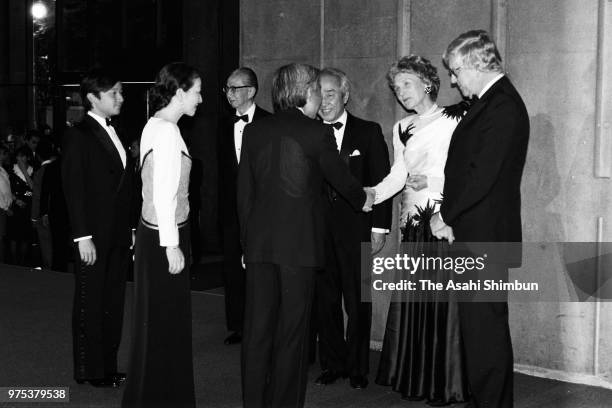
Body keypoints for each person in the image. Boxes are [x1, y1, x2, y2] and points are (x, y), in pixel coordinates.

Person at [237, 63, 375, 408]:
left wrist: (246, 244)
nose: (318, 97)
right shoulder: (318, 133)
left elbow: (244, 196)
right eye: (316, 89)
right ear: (306, 92)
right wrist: (365, 197)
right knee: (292, 336)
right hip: (299, 250)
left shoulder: (254, 132)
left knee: (257, 333)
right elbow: (342, 181)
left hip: (259, 248)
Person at [429, 30, 529, 407]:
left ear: (475, 63)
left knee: (485, 334)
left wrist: (446, 216)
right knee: (480, 333)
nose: (453, 80)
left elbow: (482, 176)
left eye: (455, 71)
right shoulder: (492, 102)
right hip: (479, 233)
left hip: (483, 237)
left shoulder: (501, 105)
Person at [371, 55, 469, 405]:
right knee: (418, 303)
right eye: (396, 88)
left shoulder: (456, 118)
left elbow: (471, 169)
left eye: (406, 85)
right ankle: (417, 378)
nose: (401, 93)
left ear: (427, 83)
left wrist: (433, 179)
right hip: (413, 225)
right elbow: (398, 175)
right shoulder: (401, 127)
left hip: (443, 221)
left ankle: (445, 383)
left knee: (443, 305)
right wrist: (371, 194)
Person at [121, 62, 202, 408]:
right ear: (180, 92)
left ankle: (152, 397)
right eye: (197, 91)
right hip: (166, 236)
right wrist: (171, 246)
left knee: (155, 324)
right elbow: (163, 192)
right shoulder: (167, 131)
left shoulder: (154, 125)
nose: (200, 99)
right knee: (166, 324)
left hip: (153, 233)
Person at [313, 67, 392, 389]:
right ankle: (333, 363)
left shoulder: (368, 132)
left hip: (357, 230)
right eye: (319, 94)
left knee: (358, 301)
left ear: (345, 95)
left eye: (330, 94)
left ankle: (358, 367)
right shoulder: (307, 132)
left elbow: (381, 182)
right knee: (325, 300)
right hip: (317, 232)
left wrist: (380, 229)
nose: (324, 101)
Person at [62, 69, 136, 387]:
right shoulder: (79, 134)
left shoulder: (116, 130)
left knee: (113, 303)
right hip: (92, 235)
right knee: (91, 302)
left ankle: (107, 366)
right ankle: (89, 370)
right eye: (113, 93)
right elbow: (74, 189)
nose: (120, 98)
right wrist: (82, 236)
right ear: (93, 97)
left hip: (117, 234)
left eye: (120, 92)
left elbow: (125, 187)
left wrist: (131, 228)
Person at [218, 67, 269, 345]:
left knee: (259, 268)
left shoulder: (268, 122)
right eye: (226, 89)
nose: (229, 94)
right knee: (232, 268)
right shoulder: (222, 125)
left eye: (235, 88)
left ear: (251, 91)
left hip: (260, 209)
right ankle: (237, 325)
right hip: (230, 211)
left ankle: (260, 323)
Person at [8, 146, 34, 265]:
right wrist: (16, 199)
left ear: (28, 157)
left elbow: (34, 189)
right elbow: (6, 189)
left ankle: (23, 262)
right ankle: (13, 262)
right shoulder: (11, 170)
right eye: (18, 155)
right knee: (13, 236)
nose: (20, 158)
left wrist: (24, 171)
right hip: (14, 206)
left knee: (25, 236)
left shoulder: (33, 170)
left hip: (28, 208)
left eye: (23, 156)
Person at [0, 144, 13, 262]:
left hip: (5, 207)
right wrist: (5, 207)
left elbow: (6, 189)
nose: (5, 156)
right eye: (3, 154)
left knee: (3, 237)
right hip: (1, 209)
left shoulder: (2, 169)